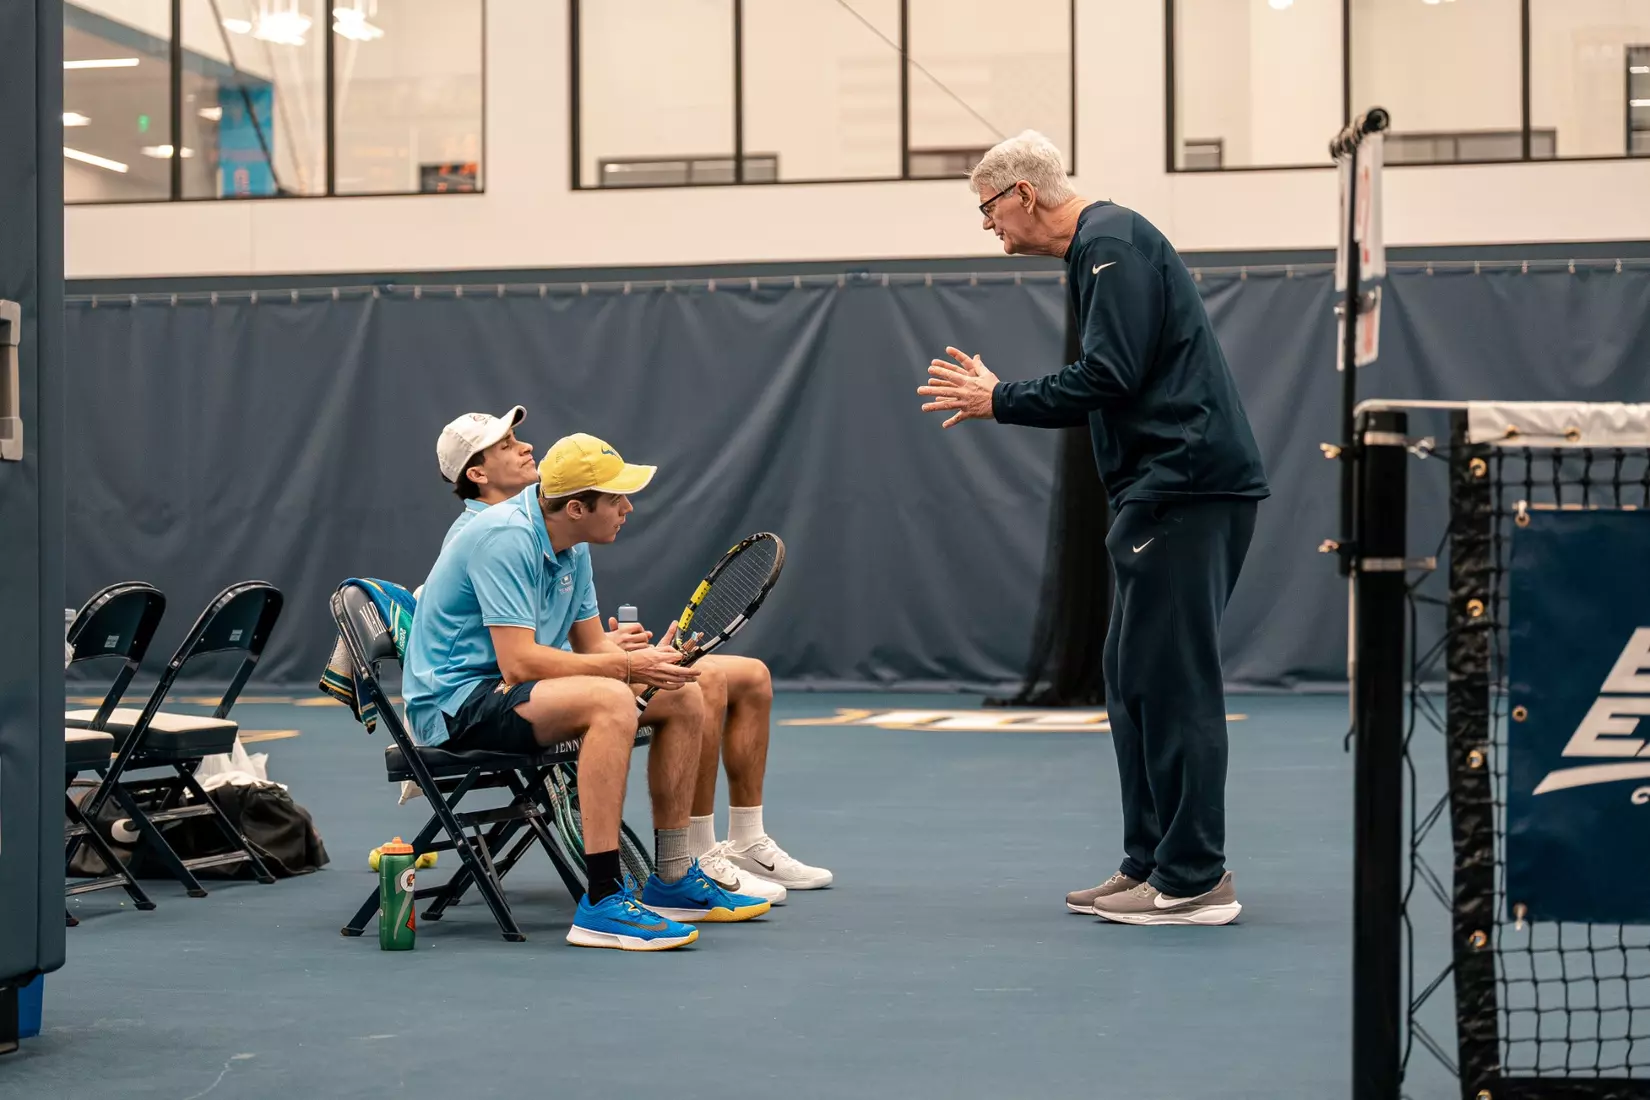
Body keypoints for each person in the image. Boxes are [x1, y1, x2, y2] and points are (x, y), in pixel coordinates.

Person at [916, 130, 1269, 927]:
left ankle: (1195, 878)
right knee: (1133, 681)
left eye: (986, 209)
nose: (986, 226)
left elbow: (1111, 376)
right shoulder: (1097, 250)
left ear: (1023, 196)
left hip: (1186, 488)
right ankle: (1148, 863)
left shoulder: (1113, 242)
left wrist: (998, 399)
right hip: (1158, 493)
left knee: (1174, 685)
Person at [432, 411, 831, 901]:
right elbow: (520, 664)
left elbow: (593, 645)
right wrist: (625, 669)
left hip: (518, 688)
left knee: (684, 689)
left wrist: (654, 663)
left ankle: (674, 877)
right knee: (611, 701)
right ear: (577, 508)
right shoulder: (503, 535)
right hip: (461, 703)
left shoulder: (570, 545)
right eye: (617, 498)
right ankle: (603, 898)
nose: (628, 508)